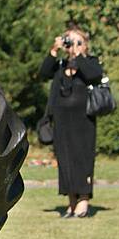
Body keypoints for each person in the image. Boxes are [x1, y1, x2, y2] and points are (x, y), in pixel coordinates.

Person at [39, 25, 103, 218]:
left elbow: (94, 75)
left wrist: (79, 57)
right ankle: (71, 202)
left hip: (83, 122)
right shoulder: (60, 65)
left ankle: (83, 200)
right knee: (65, 160)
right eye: (70, 41)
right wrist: (54, 50)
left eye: (78, 42)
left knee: (82, 160)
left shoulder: (90, 62)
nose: (73, 46)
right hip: (62, 121)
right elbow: (43, 73)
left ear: (85, 45)